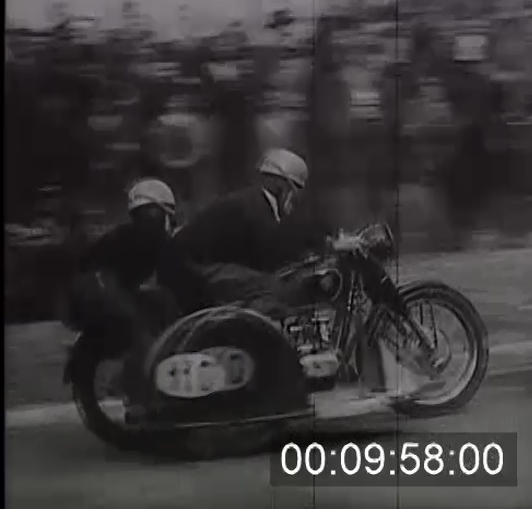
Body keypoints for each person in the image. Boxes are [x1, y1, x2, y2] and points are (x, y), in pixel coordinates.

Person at [70, 178, 207, 411]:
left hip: (85, 293)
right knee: (143, 336)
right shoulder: (153, 235)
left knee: (151, 309)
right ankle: (142, 401)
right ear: (161, 212)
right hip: (101, 291)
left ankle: (139, 390)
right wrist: (203, 299)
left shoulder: (128, 234)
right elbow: (177, 275)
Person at [172, 148, 351, 317]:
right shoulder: (252, 206)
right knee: (273, 291)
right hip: (195, 270)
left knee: (273, 286)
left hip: (202, 268)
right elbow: (273, 247)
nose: (295, 196)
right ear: (279, 183)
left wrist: (322, 245)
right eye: (295, 187)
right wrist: (325, 247)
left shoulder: (256, 205)